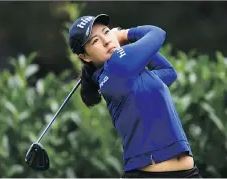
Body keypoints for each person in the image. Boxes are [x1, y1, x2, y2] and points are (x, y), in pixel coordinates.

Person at [68, 14, 202, 178]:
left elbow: (169, 73)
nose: (106, 41)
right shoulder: (118, 65)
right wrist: (125, 34)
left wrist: (131, 46)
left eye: (107, 32)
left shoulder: (120, 74)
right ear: (85, 56)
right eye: (95, 40)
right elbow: (157, 33)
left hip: (187, 174)